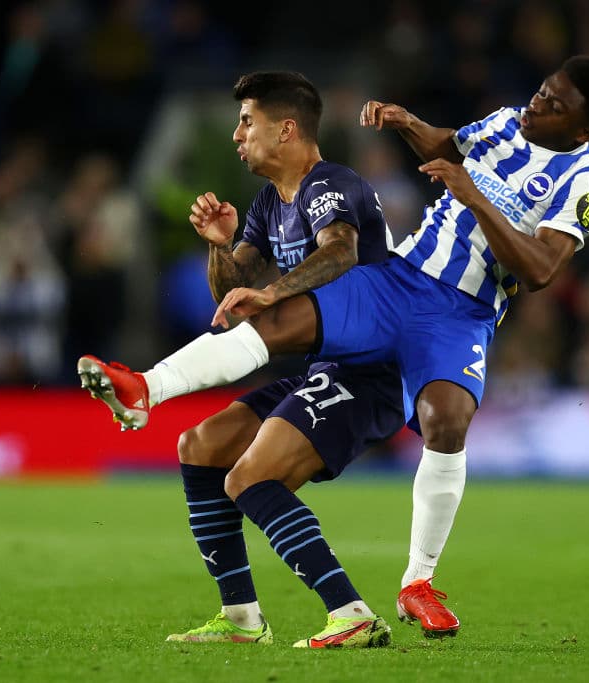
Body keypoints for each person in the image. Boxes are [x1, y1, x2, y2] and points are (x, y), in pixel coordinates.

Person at [81, 55, 589, 637]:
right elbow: (448, 144)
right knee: (269, 332)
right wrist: (406, 122)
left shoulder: (582, 184)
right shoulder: (505, 121)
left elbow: (542, 268)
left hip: (461, 312)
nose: (538, 104)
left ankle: (417, 582)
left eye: (554, 105)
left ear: (583, 130)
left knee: (446, 420)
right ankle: (146, 388)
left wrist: (473, 196)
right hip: (402, 277)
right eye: (542, 91)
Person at [79, 71, 404, 648]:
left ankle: (351, 613)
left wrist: (275, 293)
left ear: (286, 130)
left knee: (251, 476)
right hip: (319, 370)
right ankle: (241, 621)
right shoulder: (267, 202)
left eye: (246, 121)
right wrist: (221, 244)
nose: (236, 135)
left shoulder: (330, 183)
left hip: (370, 373)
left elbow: (341, 251)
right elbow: (230, 305)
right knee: (199, 447)